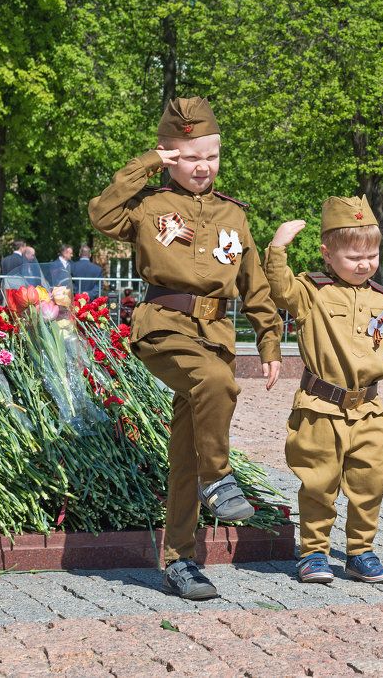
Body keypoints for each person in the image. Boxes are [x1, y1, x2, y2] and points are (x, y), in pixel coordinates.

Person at [89, 96, 282, 600]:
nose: (203, 166)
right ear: (172, 155)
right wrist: (149, 163)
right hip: (162, 328)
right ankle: (220, 478)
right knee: (217, 383)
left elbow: (254, 284)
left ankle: (180, 562)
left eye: (211, 156)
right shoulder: (148, 205)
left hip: (213, 336)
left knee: (185, 453)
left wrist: (269, 341)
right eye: (190, 156)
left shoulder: (234, 217)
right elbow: (102, 213)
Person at [264, 194, 383, 585]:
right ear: (327, 254)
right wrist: (277, 248)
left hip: (369, 410)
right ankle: (313, 553)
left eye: (371, 255)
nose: (365, 263)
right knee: (319, 484)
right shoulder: (311, 292)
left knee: (370, 481)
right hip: (320, 408)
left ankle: (361, 553)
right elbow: (280, 289)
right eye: (354, 256)